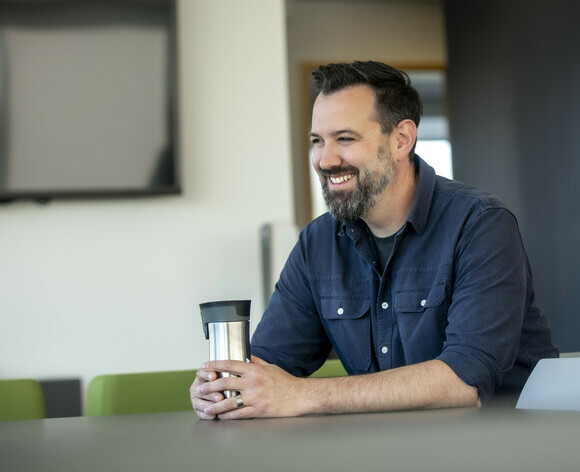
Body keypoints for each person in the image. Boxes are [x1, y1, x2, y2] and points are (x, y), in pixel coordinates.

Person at [190, 61, 557, 419]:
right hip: (385, 450)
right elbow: (270, 364)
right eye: (318, 141)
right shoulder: (318, 244)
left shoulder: (480, 225)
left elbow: (464, 382)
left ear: (401, 140)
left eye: (345, 139)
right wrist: (223, 387)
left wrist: (301, 394)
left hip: (503, 447)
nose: (325, 159)